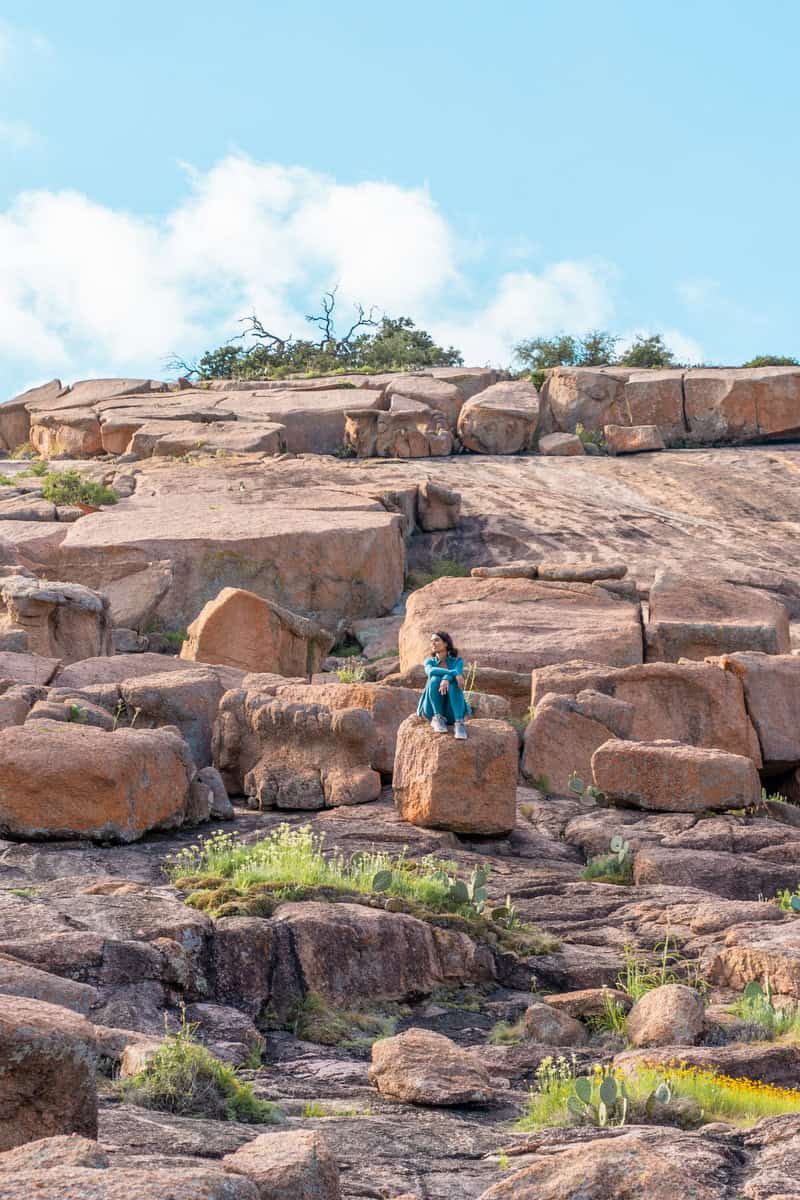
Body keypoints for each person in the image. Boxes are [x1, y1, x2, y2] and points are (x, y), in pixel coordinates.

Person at [417, 630, 470, 739]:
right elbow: (431, 671)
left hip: (452, 711)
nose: (433, 643)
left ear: (446, 643)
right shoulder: (429, 661)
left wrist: (446, 678)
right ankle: (437, 718)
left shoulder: (457, 661)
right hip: (430, 710)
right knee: (435, 679)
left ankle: (459, 723)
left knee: (453, 683)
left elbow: (457, 671)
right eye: (431, 641)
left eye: (436, 640)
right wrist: (453, 673)